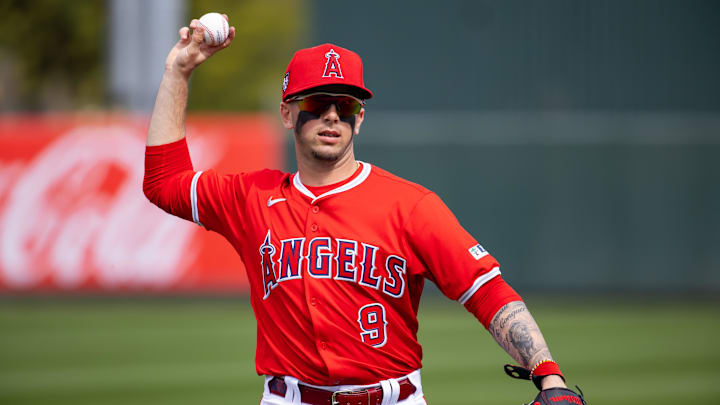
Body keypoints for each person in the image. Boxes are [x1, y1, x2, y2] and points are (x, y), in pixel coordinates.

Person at [143, 15, 586, 405]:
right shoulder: (252, 197)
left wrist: (548, 373)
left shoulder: (411, 206)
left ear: (360, 118)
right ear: (287, 113)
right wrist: (177, 72)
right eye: (317, 104)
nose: (332, 116)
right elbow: (164, 183)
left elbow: (487, 291)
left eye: (346, 105)